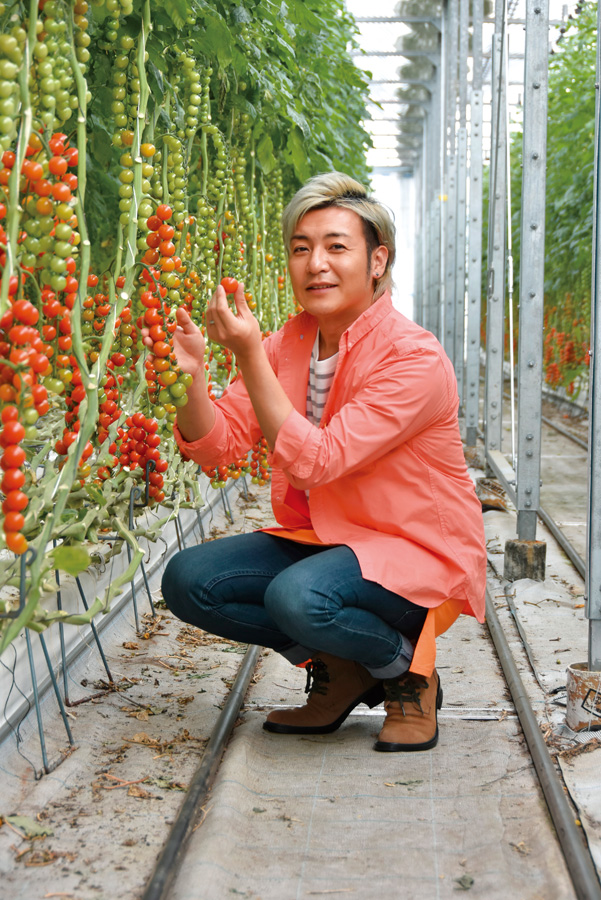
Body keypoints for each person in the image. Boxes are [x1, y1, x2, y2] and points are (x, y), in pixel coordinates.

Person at [155, 172, 486, 753]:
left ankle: (407, 672)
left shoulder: (413, 358)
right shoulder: (289, 345)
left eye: (336, 247)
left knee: (298, 596)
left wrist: (248, 354)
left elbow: (319, 462)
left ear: (377, 260)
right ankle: (344, 668)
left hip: (412, 548)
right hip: (327, 539)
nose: (316, 265)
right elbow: (219, 447)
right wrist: (191, 380)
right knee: (189, 581)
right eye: (301, 248)